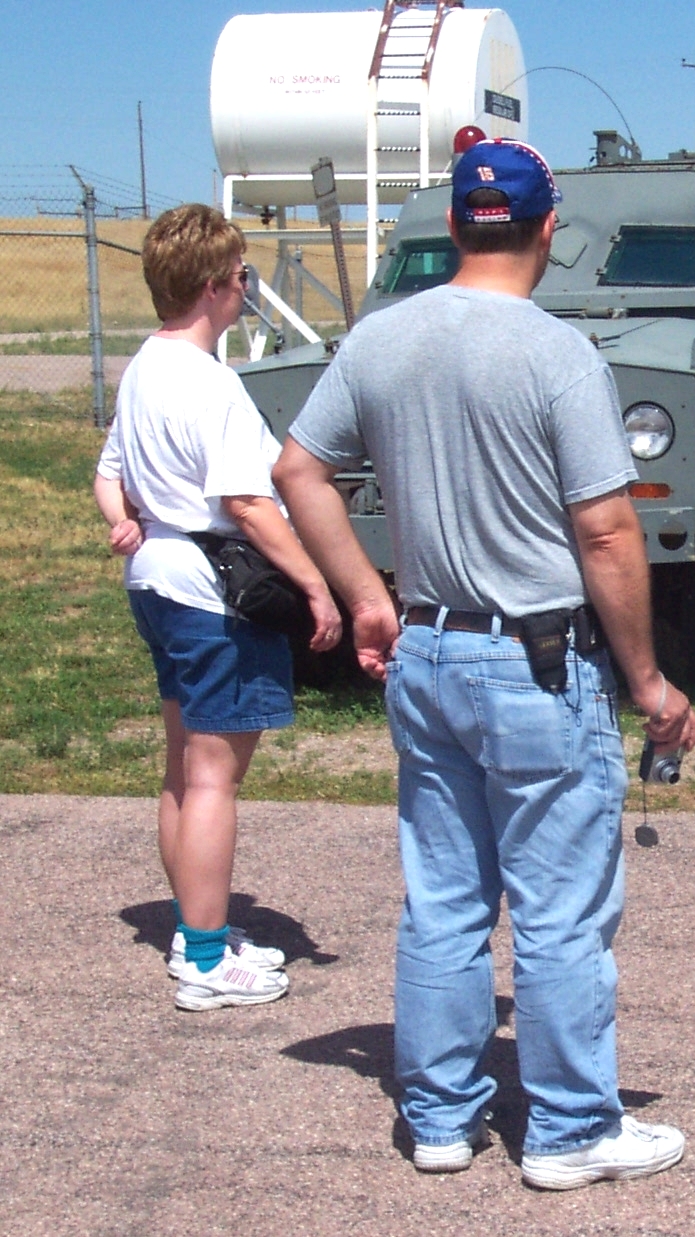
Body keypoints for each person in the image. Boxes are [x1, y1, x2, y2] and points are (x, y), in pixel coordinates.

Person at [271, 139, 695, 1187]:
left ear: (458, 225)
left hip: (426, 646)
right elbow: (604, 533)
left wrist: (367, 594)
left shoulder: (379, 341)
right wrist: (648, 681)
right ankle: (568, 1128)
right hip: (537, 664)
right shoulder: (560, 355)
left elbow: (297, 466)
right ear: (547, 228)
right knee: (559, 909)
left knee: (445, 898)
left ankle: (440, 1118)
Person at [93, 203, 342, 1012]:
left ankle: (191, 927)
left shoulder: (143, 368)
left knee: (181, 767)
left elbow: (112, 471)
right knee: (213, 780)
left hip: (156, 580)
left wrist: (124, 516)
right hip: (211, 591)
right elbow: (249, 501)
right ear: (212, 287)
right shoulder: (213, 383)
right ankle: (205, 956)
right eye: (243, 277)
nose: (246, 289)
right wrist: (314, 582)